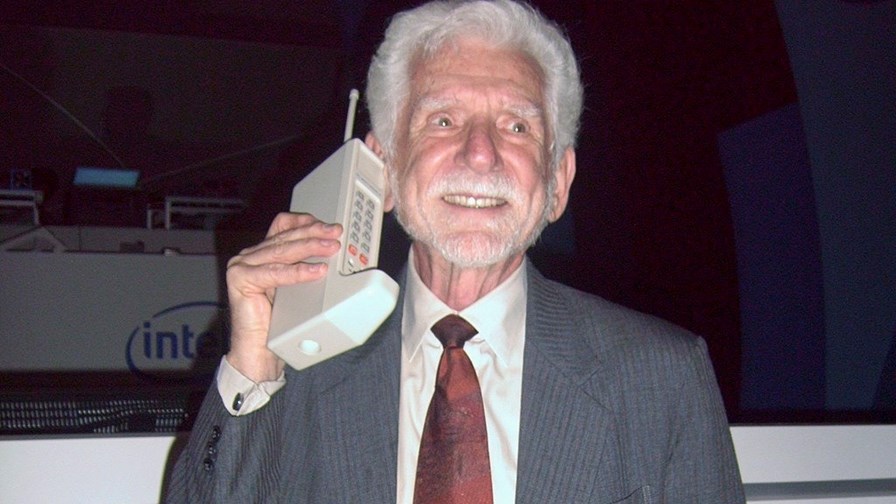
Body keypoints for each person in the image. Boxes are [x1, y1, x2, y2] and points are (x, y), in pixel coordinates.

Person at [166, 1, 745, 502]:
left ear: (558, 182)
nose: (480, 154)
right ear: (383, 169)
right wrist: (253, 365)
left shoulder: (663, 375)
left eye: (517, 126)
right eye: (443, 120)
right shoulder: (300, 372)